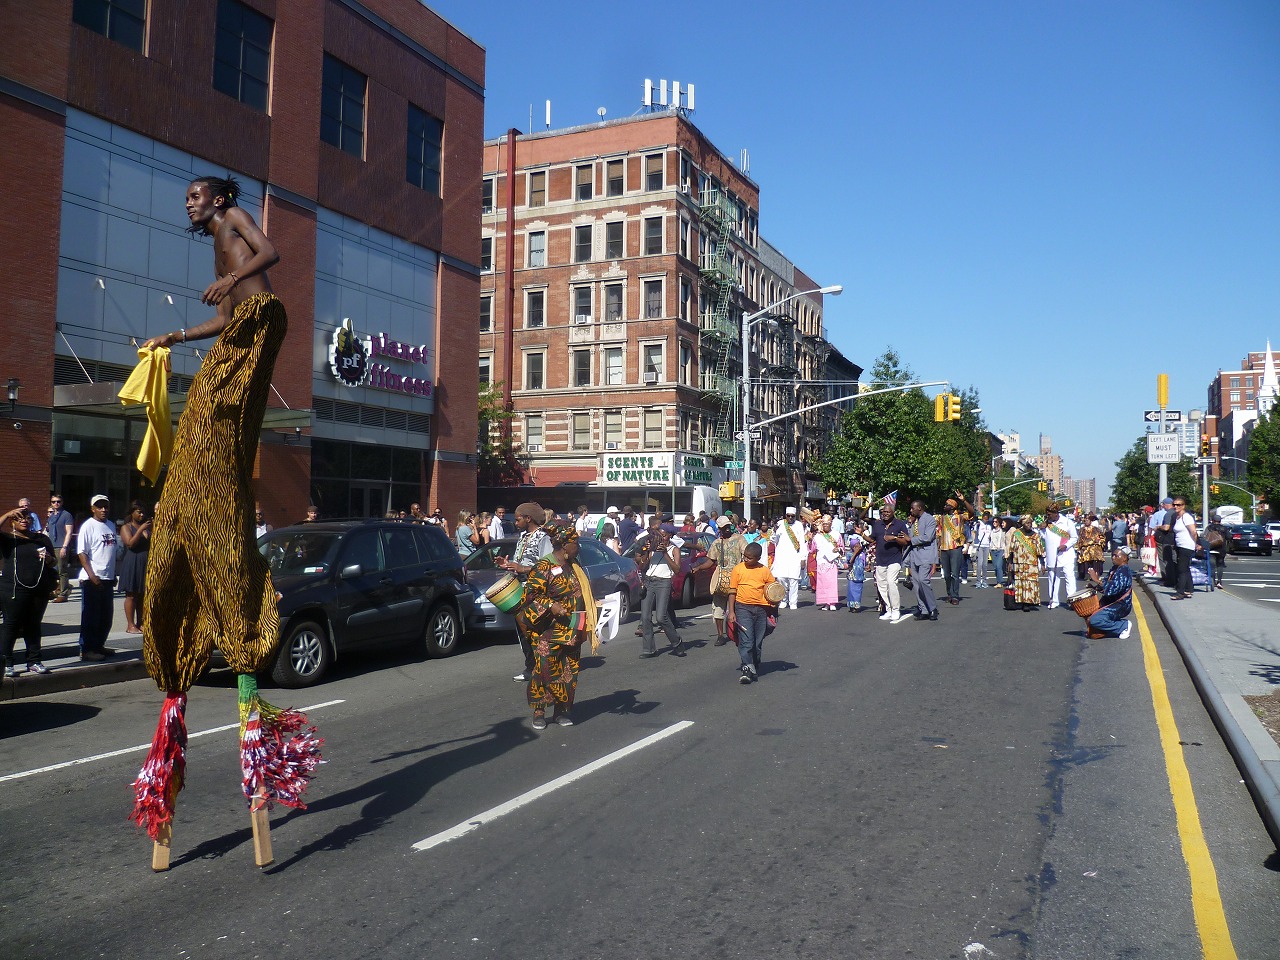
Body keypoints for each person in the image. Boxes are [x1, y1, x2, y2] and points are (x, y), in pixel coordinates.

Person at [132, 176, 320, 840]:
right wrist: (178, 334)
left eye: (195, 195)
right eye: (185, 198)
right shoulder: (216, 244)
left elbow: (269, 256)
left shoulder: (235, 218)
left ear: (216, 198)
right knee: (200, 425)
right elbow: (228, 309)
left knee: (215, 412)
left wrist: (235, 269)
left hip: (262, 324)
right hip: (242, 324)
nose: (189, 203)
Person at [516, 522, 598, 729]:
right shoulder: (544, 566)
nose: (578, 546)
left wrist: (592, 604)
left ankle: (562, 711)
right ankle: (539, 712)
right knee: (545, 670)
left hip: (574, 628)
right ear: (564, 545)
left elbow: (580, 593)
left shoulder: (574, 565)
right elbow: (530, 596)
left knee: (569, 670)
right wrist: (551, 605)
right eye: (575, 542)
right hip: (548, 630)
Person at [498, 502, 554, 682]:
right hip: (519, 591)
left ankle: (542, 667)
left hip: (536, 592)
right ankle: (531, 667)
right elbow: (518, 563)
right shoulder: (522, 536)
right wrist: (508, 565)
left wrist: (522, 569)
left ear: (528, 518)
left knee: (535, 631)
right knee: (522, 633)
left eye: (518, 519)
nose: (515, 522)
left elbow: (548, 567)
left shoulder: (542, 537)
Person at [1, 503, 58, 677]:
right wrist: (8, 513)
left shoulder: (41, 539)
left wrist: (48, 558)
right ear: (12, 522)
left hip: (38, 589)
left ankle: (34, 661)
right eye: (18, 518)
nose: (23, 521)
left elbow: (54, 562)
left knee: (33, 625)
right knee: (11, 625)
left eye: (26, 518)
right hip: (13, 588)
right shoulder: (8, 539)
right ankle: (6, 663)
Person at [726, 541, 778, 685]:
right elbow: (732, 591)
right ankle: (747, 669)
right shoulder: (738, 569)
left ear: (758, 558)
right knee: (747, 640)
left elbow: (773, 590)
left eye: (749, 558)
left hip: (761, 610)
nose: (745, 559)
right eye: (744, 556)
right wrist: (731, 611)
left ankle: (754, 663)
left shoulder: (764, 571)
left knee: (757, 642)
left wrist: (775, 601)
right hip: (743, 608)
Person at [76, 494, 118, 661]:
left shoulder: (110, 525)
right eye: (99, 507)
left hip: (108, 578)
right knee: (91, 617)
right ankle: (87, 649)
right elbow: (82, 553)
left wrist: (113, 574)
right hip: (92, 579)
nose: (103, 509)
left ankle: (99, 645)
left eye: (105, 506)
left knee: (105, 617)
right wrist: (92, 576)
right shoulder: (88, 526)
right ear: (92, 508)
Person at [696, 515, 746, 644]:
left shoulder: (739, 539)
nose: (727, 529)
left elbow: (746, 555)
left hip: (737, 577)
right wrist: (699, 567)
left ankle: (738, 632)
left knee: (738, 607)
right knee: (718, 609)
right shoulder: (717, 543)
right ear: (719, 528)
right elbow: (711, 561)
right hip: (721, 577)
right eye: (724, 527)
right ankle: (720, 635)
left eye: (728, 526)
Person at [639, 528, 683, 657]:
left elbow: (677, 570)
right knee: (646, 617)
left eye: (664, 536)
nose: (661, 538)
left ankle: (677, 642)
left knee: (661, 617)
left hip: (664, 583)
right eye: (659, 536)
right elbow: (642, 566)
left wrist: (665, 553)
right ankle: (649, 649)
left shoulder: (674, 550)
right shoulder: (652, 550)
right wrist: (647, 552)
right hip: (649, 582)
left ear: (670, 536)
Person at [871, 500, 911, 623]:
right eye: (884, 512)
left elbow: (906, 541)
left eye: (888, 512)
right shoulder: (878, 525)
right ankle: (888, 609)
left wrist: (893, 538)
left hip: (895, 558)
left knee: (891, 582)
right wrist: (861, 535)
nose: (885, 514)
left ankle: (895, 610)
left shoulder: (899, 524)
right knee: (882, 586)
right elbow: (872, 539)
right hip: (880, 560)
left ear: (893, 513)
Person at [117, 500, 152, 635]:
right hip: (133, 562)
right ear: (132, 513)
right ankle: (130, 624)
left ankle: (141, 622)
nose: (142, 515)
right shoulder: (126, 527)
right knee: (131, 595)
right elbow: (130, 543)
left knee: (142, 594)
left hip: (145, 562)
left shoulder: (148, 527)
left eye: (143, 512)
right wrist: (141, 530)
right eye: (139, 512)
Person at [1086, 546, 1134, 639]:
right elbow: (1106, 587)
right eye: (1112, 555)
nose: (1113, 557)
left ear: (1124, 558)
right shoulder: (1114, 569)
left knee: (1095, 620)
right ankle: (1105, 628)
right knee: (1089, 616)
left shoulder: (1124, 571)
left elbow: (1112, 590)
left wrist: (1097, 580)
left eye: (1116, 556)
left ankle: (1123, 625)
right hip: (1110, 602)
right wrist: (1095, 587)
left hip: (1120, 605)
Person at [907, 500, 940, 621]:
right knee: (916, 584)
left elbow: (928, 537)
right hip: (914, 555)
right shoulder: (915, 521)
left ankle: (932, 608)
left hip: (926, 555)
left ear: (919, 508)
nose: (911, 511)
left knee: (923, 580)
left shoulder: (929, 519)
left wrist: (910, 540)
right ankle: (924, 610)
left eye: (912, 508)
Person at [937, 492, 973, 605]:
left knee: (955, 574)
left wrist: (964, 500)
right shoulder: (941, 518)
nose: (944, 506)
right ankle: (949, 593)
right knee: (947, 574)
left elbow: (972, 512)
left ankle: (955, 595)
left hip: (956, 548)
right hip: (944, 548)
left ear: (952, 507)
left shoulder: (960, 517)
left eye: (947, 504)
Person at [1041, 503, 1078, 609]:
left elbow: (1074, 538)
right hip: (1052, 555)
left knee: (1069, 577)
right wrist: (1042, 529)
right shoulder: (1047, 524)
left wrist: (1065, 545)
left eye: (1049, 514)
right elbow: (1044, 537)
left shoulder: (1067, 522)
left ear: (1056, 513)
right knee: (1053, 578)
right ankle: (1053, 600)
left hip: (1067, 555)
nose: (1048, 516)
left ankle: (1072, 601)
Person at [771, 506, 807, 610]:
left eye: (792, 516)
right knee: (781, 579)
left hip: (795, 556)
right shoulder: (780, 524)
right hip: (782, 557)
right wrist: (774, 531)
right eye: (788, 516)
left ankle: (793, 602)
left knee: (793, 580)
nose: (790, 518)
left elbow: (802, 542)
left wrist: (803, 558)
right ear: (785, 515)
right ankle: (783, 600)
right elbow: (774, 540)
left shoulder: (799, 525)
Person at [1006, 514, 1043, 611]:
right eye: (1027, 523)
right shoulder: (1017, 534)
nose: (1029, 525)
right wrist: (1010, 563)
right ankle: (1022, 602)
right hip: (1019, 564)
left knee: (1031, 583)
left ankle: (1028, 602)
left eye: (1030, 523)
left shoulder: (1036, 536)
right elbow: (1012, 549)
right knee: (1021, 583)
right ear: (1023, 524)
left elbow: (1039, 551)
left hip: (1032, 564)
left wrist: (1042, 564)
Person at [1166, 497, 1200, 599]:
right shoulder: (1177, 517)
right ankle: (1189, 590)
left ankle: (1180, 592)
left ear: (1183, 506)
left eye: (1178, 505)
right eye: (1174, 504)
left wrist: (1196, 544)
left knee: (1181, 569)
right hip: (1180, 545)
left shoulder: (1186, 517)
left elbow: (1193, 532)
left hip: (1187, 546)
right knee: (1185, 568)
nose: (1176, 506)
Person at [45, 493, 76, 602]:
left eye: (58, 501)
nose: (56, 503)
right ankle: (55, 590)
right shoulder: (52, 516)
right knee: (51, 570)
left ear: (62, 502)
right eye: (53, 502)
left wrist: (64, 547)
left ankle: (63, 594)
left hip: (61, 546)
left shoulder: (66, 515)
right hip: (51, 545)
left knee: (61, 570)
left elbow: (69, 532)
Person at [810, 517, 845, 611]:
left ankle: (832, 603)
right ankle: (826, 603)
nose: (825, 526)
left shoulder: (836, 535)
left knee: (832, 582)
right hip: (821, 562)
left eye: (827, 524)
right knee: (822, 583)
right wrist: (809, 540)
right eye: (824, 524)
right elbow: (812, 549)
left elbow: (842, 548)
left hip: (832, 562)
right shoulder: (817, 536)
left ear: (831, 524)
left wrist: (838, 549)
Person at [844, 518, 870, 613]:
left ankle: (856, 605)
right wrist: (855, 553)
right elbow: (849, 562)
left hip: (859, 575)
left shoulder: (862, 554)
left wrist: (867, 566)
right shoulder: (850, 554)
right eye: (855, 546)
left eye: (858, 545)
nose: (857, 547)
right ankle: (851, 605)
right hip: (852, 576)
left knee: (858, 590)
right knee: (851, 590)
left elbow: (866, 563)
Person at [1075, 515, 1106, 584]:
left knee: (1096, 558)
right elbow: (1079, 540)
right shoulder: (1081, 530)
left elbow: (1102, 538)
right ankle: (1086, 575)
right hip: (1085, 548)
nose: (1086, 521)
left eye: (1087, 520)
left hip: (1095, 548)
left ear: (1090, 521)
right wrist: (1078, 548)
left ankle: (1096, 574)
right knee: (1084, 559)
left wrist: (1099, 542)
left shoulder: (1096, 529)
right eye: (1085, 520)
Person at [989, 517, 1008, 587]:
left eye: (996, 522)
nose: (994, 523)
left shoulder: (1003, 531)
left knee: (998, 566)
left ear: (999, 523)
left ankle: (1000, 582)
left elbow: (1006, 541)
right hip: (993, 550)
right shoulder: (992, 531)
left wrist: (1005, 551)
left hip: (1000, 550)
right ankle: (998, 582)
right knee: (995, 567)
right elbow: (990, 540)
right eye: (993, 521)